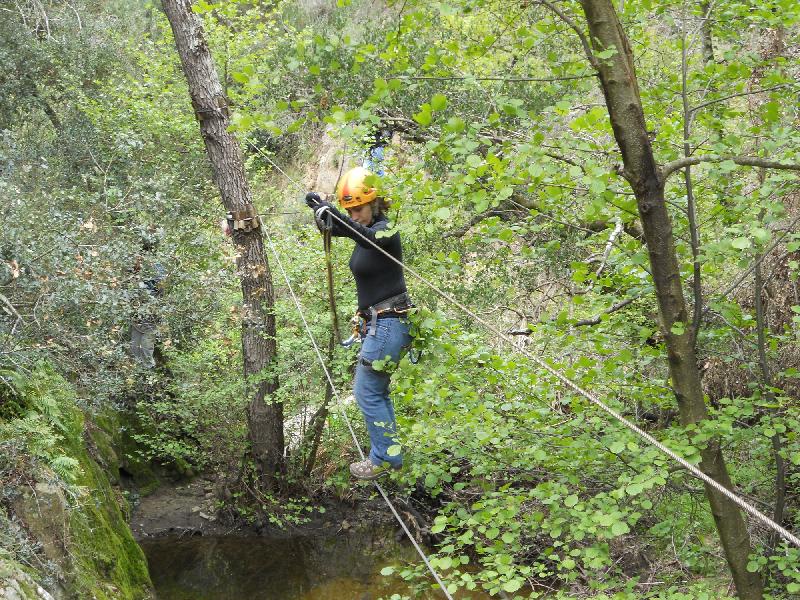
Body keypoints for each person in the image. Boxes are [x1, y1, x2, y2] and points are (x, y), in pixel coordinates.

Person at [306, 166, 413, 480]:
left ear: (375, 203)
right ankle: (389, 454)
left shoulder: (386, 231)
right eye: (350, 210)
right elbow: (338, 228)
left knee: (366, 392)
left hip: (389, 323)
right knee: (376, 391)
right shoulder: (362, 227)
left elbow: (364, 237)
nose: (355, 215)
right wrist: (320, 210)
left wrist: (336, 214)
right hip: (380, 324)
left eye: (359, 209)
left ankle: (383, 459)